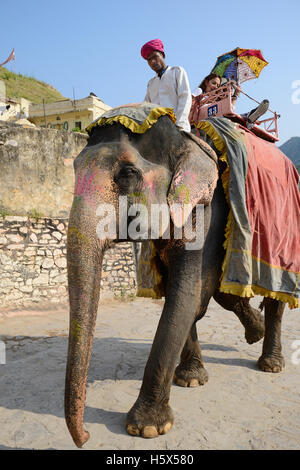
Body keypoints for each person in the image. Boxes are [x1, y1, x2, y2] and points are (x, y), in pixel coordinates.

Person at [141, 39, 192, 133]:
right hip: (159, 132)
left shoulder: (177, 71)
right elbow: (145, 107)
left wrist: (179, 124)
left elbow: (185, 98)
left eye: (155, 57)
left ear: (163, 55)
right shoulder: (151, 84)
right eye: (149, 60)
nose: (152, 62)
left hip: (179, 129)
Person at [193, 73, 269, 128]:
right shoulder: (199, 91)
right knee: (227, 115)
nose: (215, 87)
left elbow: (230, 108)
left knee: (230, 112)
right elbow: (189, 103)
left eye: (218, 85)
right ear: (206, 82)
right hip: (204, 116)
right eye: (213, 83)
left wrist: (235, 94)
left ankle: (249, 117)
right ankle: (248, 118)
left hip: (218, 115)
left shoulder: (215, 99)